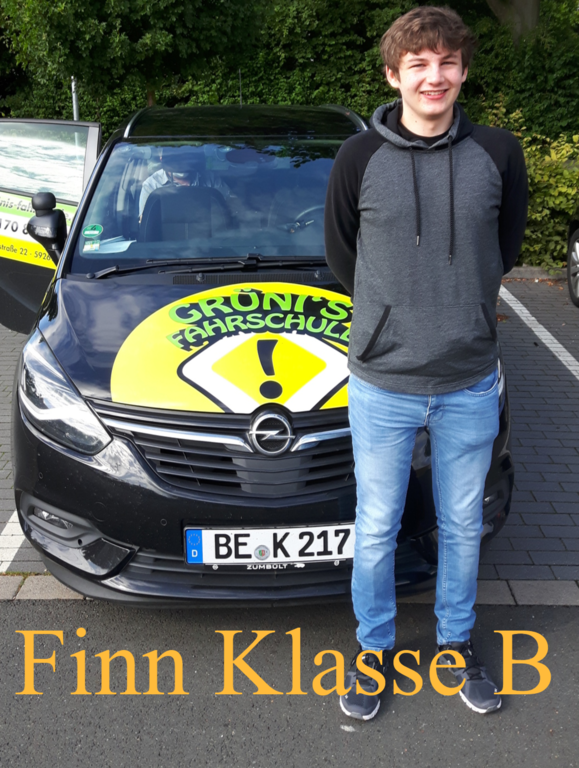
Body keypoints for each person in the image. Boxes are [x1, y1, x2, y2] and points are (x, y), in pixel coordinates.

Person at [324, 6, 528, 721]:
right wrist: (391, 316)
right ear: (393, 75)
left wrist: (457, 309)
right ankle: (372, 649)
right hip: (383, 382)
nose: (433, 76)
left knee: (462, 525)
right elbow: (342, 255)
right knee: (376, 525)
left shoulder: (498, 153)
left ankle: (454, 643)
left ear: (463, 71)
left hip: (469, 378)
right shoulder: (358, 158)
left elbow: (504, 248)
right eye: (418, 64)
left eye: (446, 62)